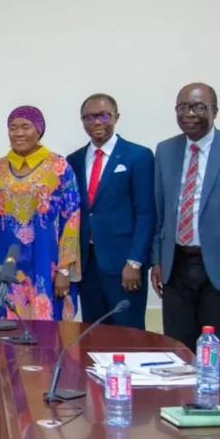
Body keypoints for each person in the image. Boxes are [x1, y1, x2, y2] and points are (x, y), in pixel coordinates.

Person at [151, 83, 220, 390]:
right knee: (179, 351)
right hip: (176, 265)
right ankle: (182, 413)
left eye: (199, 107)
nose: (190, 114)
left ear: (215, 111)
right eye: (183, 107)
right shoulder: (166, 150)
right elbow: (161, 211)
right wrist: (157, 259)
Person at [0, 106, 80, 321]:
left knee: (46, 330)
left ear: (39, 130)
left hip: (45, 260)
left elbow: (72, 219)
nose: (18, 133)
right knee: (6, 327)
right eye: (12, 128)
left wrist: (64, 270)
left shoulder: (59, 166)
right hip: (4, 261)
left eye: (26, 127)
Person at [67, 94, 155, 329]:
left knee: (130, 335)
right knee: (93, 334)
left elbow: (146, 213)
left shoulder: (138, 156)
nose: (96, 122)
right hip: (87, 265)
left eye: (103, 115)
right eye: (89, 117)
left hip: (124, 265)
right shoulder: (73, 160)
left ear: (116, 117)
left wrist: (135, 262)